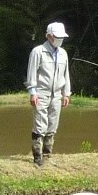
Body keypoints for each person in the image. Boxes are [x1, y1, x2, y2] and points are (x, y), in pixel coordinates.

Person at [25, 21, 73, 165]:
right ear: (49, 36)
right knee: (40, 125)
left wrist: (66, 93)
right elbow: (31, 74)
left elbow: (66, 75)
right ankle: (37, 158)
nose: (60, 39)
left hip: (57, 95)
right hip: (41, 93)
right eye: (57, 37)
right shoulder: (38, 51)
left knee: (53, 125)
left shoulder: (63, 53)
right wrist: (32, 93)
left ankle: (47, 155)